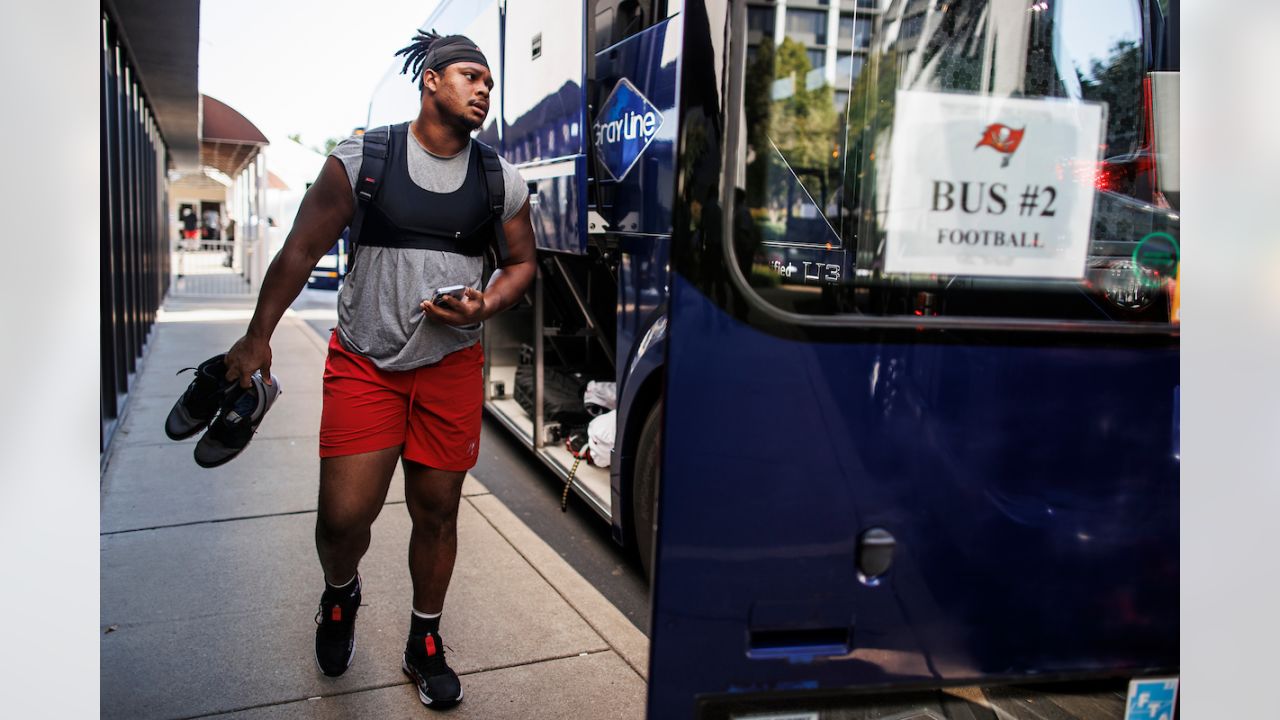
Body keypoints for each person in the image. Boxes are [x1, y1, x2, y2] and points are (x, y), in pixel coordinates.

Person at [221, 30, 535, 710]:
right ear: (430, 80)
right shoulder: (364, 159)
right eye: (470, 76)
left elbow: (521, 263)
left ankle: (424, 640)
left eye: (490, 81)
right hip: (367, 363)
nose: (484, 89)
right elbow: (301, 251)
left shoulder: (497, 179)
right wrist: (256, 339)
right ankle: (341, 595)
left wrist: (489, 300)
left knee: (438, 513)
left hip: (449, 368)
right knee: (343, 517)